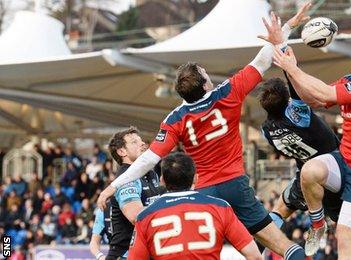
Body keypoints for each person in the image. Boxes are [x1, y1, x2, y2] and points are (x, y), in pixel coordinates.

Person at [98, 6, 311, 259]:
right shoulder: (228, 92)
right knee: (282, 247)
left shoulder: (175, 118)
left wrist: (113, 185)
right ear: (205, 82)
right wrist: (287, 27)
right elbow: (263, 60)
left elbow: (149, 159)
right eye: (205, 72)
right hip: (235, 184)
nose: (208, 74)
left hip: (204, 192)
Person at [272, 44, 351, 257]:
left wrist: (292, 68)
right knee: (309, 171)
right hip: (344, 159)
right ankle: (318, 224)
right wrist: (290, 66)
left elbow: (325, 92)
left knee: (347, 239)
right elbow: (314, 98)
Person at [258, 77, 351, 257]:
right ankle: (324, 228)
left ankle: (255, 251)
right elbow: (295, 86)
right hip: (333, 171)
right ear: (287, 100)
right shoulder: (297, 114)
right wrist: (288, 65)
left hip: (305, 176)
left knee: (279, 211)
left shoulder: (266, 130)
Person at [128, 152, 262, 260]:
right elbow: (254, 256)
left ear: (162, 180)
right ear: (196, 178)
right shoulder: (220, 207)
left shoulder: (145, 216)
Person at [106, 127, 166, 259]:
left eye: (141, 140)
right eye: (134, 142)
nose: (142, 143)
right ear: (122, 151)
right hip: (125, 255)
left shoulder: (151, 173)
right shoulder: (125, 179)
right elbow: (136, 216)